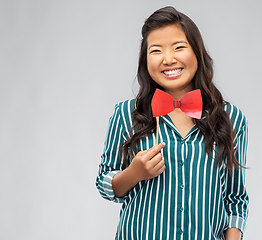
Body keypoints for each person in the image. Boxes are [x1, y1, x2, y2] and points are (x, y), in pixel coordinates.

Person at [96, 6, 249, 240]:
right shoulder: (126, 114)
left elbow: (235, 198)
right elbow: (104, 182)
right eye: (156, 51)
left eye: (179, 47)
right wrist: (134, 173)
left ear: (197, 52)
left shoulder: (231, 118)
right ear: (145, 60)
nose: (168, 59)